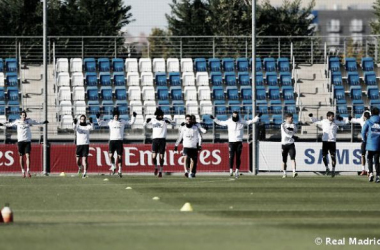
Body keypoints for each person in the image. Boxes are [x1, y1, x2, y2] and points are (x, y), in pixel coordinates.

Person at [210, 111, 261, 178]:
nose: (235, 117)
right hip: (231, 142)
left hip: (239, 142)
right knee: (231, 156)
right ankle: (231, 170)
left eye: (236, 116)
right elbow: (221, 123)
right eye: (234, 116)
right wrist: (214, 118)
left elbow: (251, 121)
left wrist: (257, 116)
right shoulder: (229, 121)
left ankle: (237, 170)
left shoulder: (241, 121)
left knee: (238, 157)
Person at [0, 111, 48, 178]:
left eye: (25, 115)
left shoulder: (29, 121)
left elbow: (36, 122)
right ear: (20, 116)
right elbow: (10, 124)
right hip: (20, 141)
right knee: (21, 156)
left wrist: (43, 122)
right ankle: (23, 171)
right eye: (23, 115)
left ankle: (28, 171)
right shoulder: (17, 121)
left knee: (28, 156)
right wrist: (2, 124)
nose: (24, 117)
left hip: (27, 141)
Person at [309, 111, 350, 177]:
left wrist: (347, 119)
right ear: (328, 117)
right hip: (325, 141)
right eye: (331, 116)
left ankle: (333, 170)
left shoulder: (336, 122)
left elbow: (344, 123)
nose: (333, 117)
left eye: (333, 116)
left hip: (332, 141)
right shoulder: (324, 121)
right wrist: (311, 117)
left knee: (333, 156)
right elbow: (316, 121)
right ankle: (327, 168)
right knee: (324, 156)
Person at [97, 109, 136, 177]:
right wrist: (98, 118)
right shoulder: (110, 122)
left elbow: (131, 123)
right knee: (110, 155)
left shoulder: (122, 121)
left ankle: (120, 170)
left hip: (119, 141)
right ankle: (113, 165)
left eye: (117, 115)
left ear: (118, 116)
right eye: (115, 116)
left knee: (119, 156)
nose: (116, 117)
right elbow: (100, 123)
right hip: (112, 141)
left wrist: (134, 116)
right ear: (113, 116)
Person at [143, 107, 173, 177]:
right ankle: (156, 167)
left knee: (161, 157)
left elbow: (174, 123)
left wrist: (170, 122)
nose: (161, 117)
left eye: (162, 115)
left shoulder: (165, 119)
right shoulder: (153, 120)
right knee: (153, 157)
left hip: (162, 140)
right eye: (160, 115)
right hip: (155, 140)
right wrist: (146, 121)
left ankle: (161, 171)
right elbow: (144, 125)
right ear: (157, 115)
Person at [361, 107, 380, 183]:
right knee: (377, 160)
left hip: (370, 143)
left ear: (371, 113)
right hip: (378, 144)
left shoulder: (368, 121)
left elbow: (363, 132)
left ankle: (371, 174)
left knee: (369, 159)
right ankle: (378, 176)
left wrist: (365, 140)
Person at [351, 109, 371, 176]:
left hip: (370, 140)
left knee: (369, 156)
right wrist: (348, 118)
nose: (366, 117)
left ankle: (369, 170)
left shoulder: (371, 122)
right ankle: (363, 170)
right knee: (363, 155)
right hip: (364, 140)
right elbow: (353, 120)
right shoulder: (362, 121)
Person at [281, 113, 298, 178]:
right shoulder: (283, 125)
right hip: (284, 144)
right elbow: (286, 133)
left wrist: (293, 135)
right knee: (284, 160)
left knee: (293, 158)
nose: (292, 119)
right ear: (287, 118)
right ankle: (284, 173)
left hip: (291, 144)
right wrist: (292, 136)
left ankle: (294, 172)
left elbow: (295, 131)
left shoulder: (294, 125)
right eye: (291, 118)